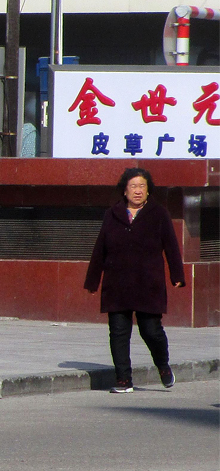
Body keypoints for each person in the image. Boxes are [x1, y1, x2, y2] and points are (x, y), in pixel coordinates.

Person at [84, 167, 186, 394]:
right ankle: (123, 379)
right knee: (118, 331)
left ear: (148, 191)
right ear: (125, 190)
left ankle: (162, 364)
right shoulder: (113, 214)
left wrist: (177, 275)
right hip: (117, 283)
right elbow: (100, 248)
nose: (138, 191)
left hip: (147, 283)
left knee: (151, 330)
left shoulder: (158, 214)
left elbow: (171, 246)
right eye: (133, 186)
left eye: (142, 186)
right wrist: (93, 280)